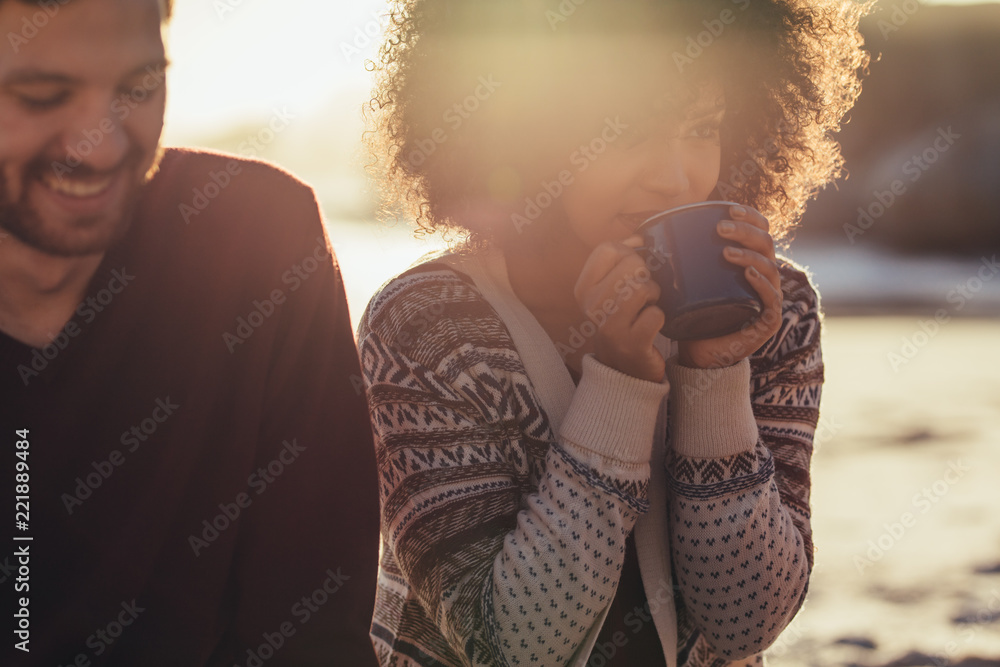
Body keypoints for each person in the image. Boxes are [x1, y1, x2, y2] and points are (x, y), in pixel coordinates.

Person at [358, 0, 869, 665]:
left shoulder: (775, 311)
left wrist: (714, 377)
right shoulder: (426, 326)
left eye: (701, 126)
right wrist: (619, 384)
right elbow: (510, 646)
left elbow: (747, 622)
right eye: (625, 130)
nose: (677, 175)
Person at [0, 0, 379, 665]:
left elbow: (314, 634)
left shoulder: (258, 242)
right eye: (42, 96)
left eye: (139, 88)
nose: (103, 145)